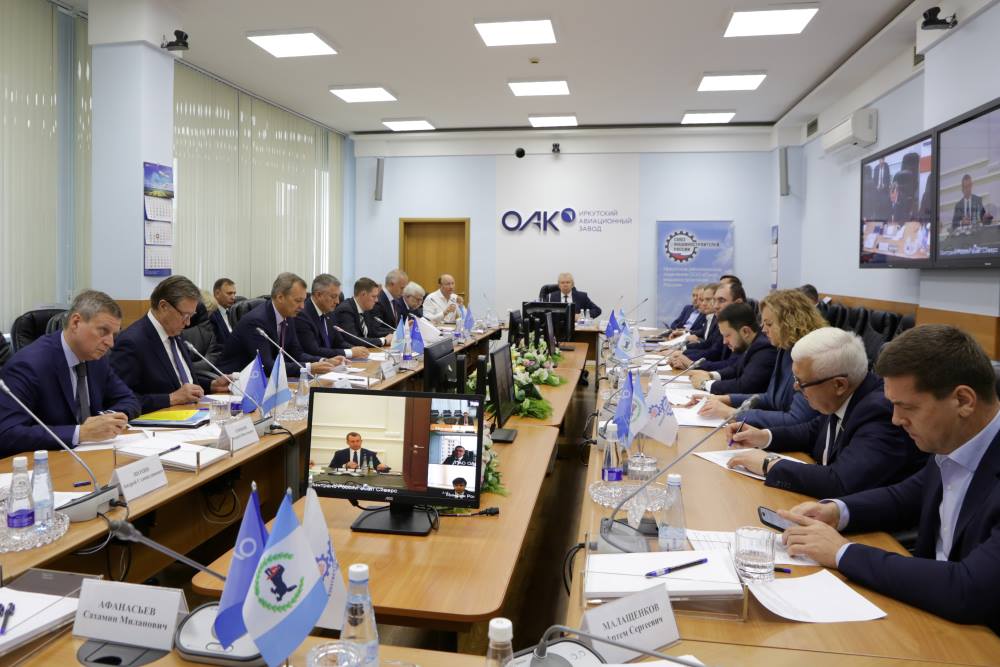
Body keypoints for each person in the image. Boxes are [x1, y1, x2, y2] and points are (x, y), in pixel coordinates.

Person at [778, 325, 1000, 633]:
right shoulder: (951, 441)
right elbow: (907, 496)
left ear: (963, 400)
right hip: (930, 617)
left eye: (906, 407)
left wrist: (842, 553)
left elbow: (969, 588)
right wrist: (837, 511)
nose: (896, 419)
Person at [725, 327, 926, 498]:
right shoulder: (844, 395)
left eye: (801, 382)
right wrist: (763, 437)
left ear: (839, 385)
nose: (795, 387)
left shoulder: (880, 413)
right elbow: (812, 432)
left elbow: (840, 481)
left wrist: (769, 464)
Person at [0, 290, 140, 455]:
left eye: (114, 335)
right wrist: (80, 432)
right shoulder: (28, 365)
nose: (110, 343)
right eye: (103, 331)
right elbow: (8, 433)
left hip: (93, 454)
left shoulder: (96, 358)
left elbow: (128, 399)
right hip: (49, 461)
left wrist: (108, 419)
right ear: (75, 322)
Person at [698, 289, 824, 427]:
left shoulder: (810, 357)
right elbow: (770, 398)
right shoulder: (784, 348)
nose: (763, 330)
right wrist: (726, 399)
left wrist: (733, 413)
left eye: (769, 324)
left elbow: (796, 419)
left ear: (790, 322)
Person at [111, 276, 231, 413]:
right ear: (163, 306)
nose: (188, 323)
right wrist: (170, 398)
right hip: (161, 421)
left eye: (191, 316)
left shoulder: (174, 332)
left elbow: (178, 380)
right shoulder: (132, 342)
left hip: (192, 413)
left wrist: (212, 385)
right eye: (185, 316)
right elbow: (118, 399)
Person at [217, 273, 342, 377]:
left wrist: (322, 361)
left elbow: (296, 353)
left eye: (303, 301)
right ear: (280, 297)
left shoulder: (288, 315)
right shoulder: (256, 322)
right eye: (298, 301)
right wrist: (308, 367)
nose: (302, 307)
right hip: (232, 383)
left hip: (264, 380)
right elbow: (266, 366)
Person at [687, 303, 777, 396]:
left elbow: (744, 387)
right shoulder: (750, 343)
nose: (724, 342)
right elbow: (735, 369)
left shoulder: (765, 349)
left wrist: (705, 384)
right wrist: (710, 375)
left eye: (727, 336)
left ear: (745, 331)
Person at [295, 274, 369, 361]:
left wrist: (354, 349)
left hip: (333, 363)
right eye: (333, 297)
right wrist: (349, 352)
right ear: (318, 295)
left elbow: (338, 342)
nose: (337, 301)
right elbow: (313, 350)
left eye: (338, 296)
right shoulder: (302, 314)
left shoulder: (329, 312)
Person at [671, 281, 746, 367]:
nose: (716, 306)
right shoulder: (723, 322)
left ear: (738, 303)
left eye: (721, 300)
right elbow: (708, 344)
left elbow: (728, 363)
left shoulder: (742, 329)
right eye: (714, 301)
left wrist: (691, 363)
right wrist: (683, 354)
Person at [333, 277, 395, 347]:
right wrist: (383, 340)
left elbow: (374, 332)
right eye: (374, 296)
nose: (377, 300)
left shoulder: (366, 309)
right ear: (363, 294)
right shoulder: (345, 310)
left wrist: (395, 333)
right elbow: (353, 339)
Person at [210, 278, 237, 342]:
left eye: (234, 293)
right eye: (229, 293)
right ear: (217, 294)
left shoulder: (233, 312)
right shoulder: (211, 315)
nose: (233, 297)